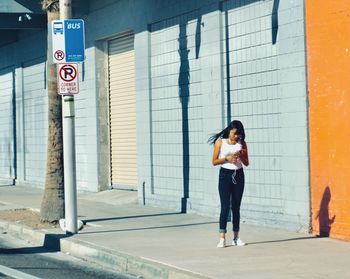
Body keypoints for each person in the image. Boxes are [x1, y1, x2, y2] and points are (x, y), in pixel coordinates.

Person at [208, 120, 249, 248]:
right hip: (225, 175)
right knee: (225, 207)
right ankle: (222, 238)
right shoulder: (221, 142)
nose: (236, 136)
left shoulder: (242, 144)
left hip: (239, 175)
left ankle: (236, 238)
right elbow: (214, 161)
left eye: (239, 134)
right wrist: (227, 158)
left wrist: (241, 155)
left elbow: (247, 163)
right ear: (229, 130)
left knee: (236, 207)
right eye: (235, 133)